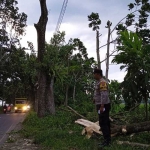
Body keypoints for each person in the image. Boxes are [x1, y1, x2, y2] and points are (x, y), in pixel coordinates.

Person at [93, 68, 111, 147]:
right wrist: (95, 99)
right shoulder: (99, 82)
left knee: (103, 123)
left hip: (103, 105)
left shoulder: (102, 82)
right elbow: (99, 94)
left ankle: (106, 141)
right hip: (101, 105)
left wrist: (102, 106)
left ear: (98, 74)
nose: (94, 75)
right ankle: (108, 139)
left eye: (94, 74)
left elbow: (104, 95)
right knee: (106, 122)